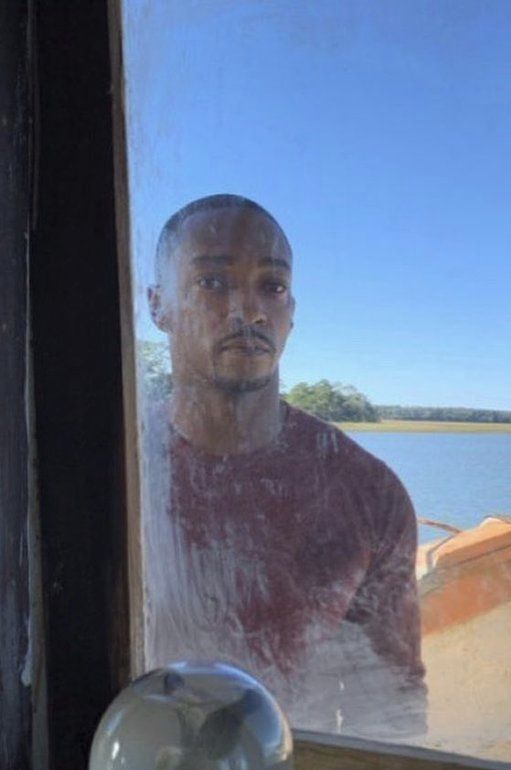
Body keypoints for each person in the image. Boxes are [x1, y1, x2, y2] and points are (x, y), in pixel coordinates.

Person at [142, 194, 426, 738]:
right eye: (212, 283)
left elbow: (393, 709)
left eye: (271, 287)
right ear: (159, 306)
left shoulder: (368, 492)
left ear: (291, 313)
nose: (248, 311)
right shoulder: (114, 471)